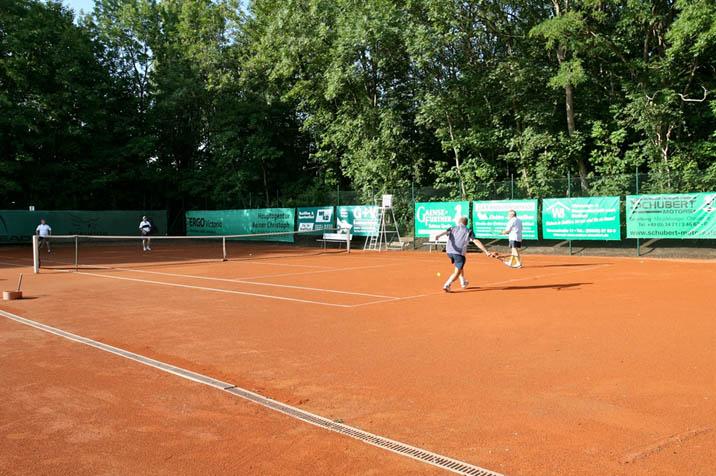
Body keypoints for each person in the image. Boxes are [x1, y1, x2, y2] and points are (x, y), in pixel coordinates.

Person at [435, 217, 497, 292]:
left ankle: (463, 281)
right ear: (466, 223)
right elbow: (476, 241)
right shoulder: (468, 231)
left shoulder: (452, 228)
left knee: (459, 265)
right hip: (458, 254)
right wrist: (486, 251)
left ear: (459, 222)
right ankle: (447, 285)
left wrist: (438, 236)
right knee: (457, 272)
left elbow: (445, 232)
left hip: (449, 252)